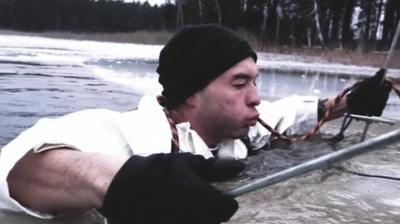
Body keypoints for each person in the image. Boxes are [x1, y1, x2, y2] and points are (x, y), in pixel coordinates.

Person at [0, 24, 391, 224]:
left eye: (255, 81)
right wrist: (117, 180)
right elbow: (18, 167)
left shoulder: (240, 125)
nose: (255, 96)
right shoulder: (128, 134)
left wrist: (345, 103)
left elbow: (289, 112)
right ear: (191, 93)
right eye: (239, 83)